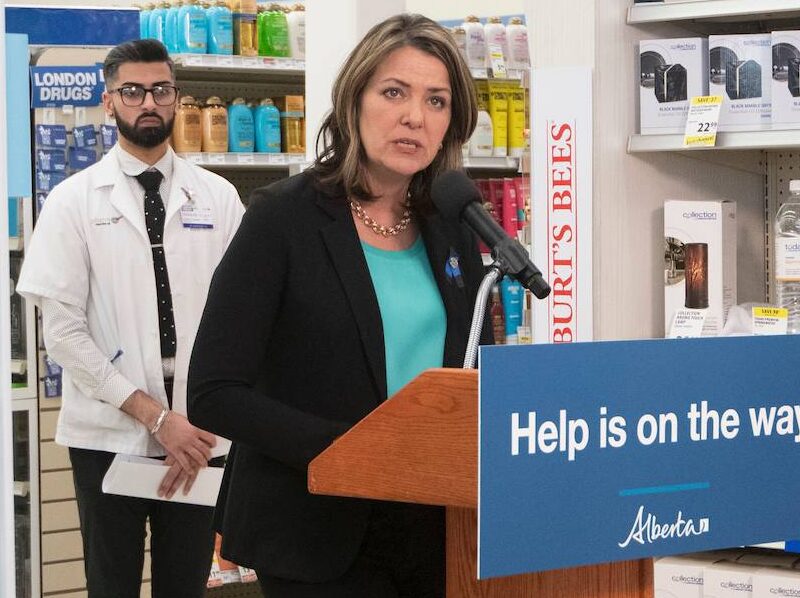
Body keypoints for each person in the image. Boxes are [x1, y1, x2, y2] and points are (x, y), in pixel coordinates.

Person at [187, 13, 493, 598]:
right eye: (395, 93)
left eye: (436, 101)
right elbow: (214, 391)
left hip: (433, 522)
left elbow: (476, 373)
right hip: (316, 527)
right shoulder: (283, 217)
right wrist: (351, 448)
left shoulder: (451, 224)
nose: (413, 117)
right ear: (354, 100)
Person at [17, 39, 244, 598]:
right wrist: (154, 416)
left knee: (186, 584)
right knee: (111, 583)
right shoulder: (72, 201)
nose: (149, 101)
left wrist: (195, 419)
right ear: (109, 101)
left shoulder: (217, 198)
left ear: (176, 98)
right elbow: (64, 335)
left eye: (161, 90)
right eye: (133, 90)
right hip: (108, 435)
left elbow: (244, 317)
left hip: (198, 435)